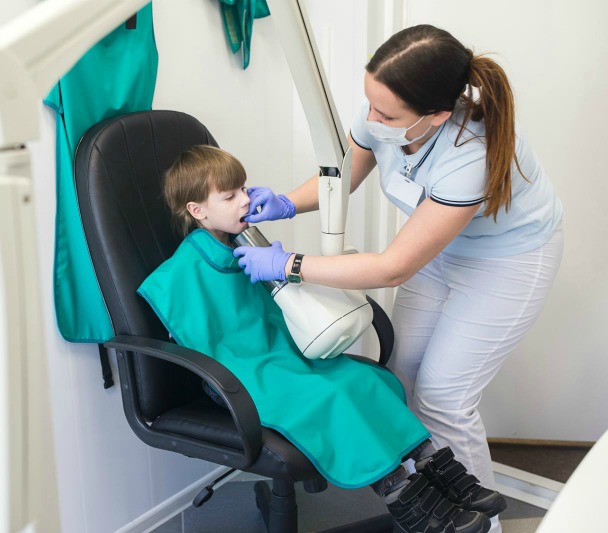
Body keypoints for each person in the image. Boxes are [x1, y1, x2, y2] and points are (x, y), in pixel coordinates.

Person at [232, 25, 564, 533]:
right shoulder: (385, 114)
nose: (370, 120)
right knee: (400, 380)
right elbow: (340, 175)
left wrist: (288, 266)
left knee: (445, 399)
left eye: (385, 114)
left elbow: (393, 266)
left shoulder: (469, 155)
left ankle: (480, 530)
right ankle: (435, 514)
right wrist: (285, 202)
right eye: (369, 104)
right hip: (436, 248)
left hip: (508, 262)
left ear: (434, 115)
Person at [138, 144, 506, 533]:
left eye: (244, 188)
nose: (245, 200)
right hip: (243, 374)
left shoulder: (246, 246)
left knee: (360, 379)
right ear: (198, 211)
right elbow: (206, 339)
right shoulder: (179, 275)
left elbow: (282, 310)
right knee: (331, 395)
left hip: (284, 354)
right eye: (230, 196)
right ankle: (404, 499)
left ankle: (439, 470)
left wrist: (282, 268)